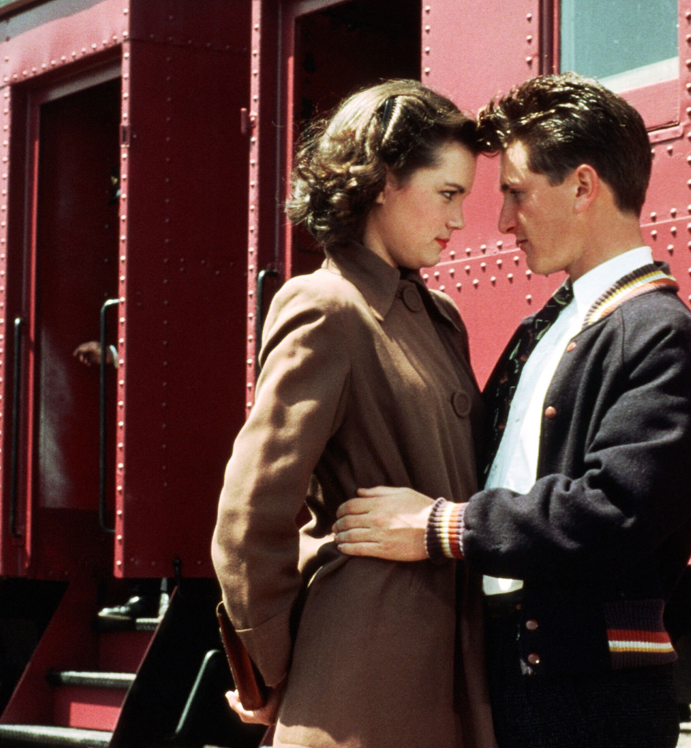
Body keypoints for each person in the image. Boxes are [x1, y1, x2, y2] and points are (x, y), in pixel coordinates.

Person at [332, 73, 691, 748]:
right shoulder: (544, 329)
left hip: (593, 704)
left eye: (515, 192)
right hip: (515, 681)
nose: (502, 221)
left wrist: (441, 526)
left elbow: (615, 512)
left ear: (582, 186)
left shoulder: (662, 335)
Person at [210, 79, 496, 748]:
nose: (458, 220)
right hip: (360, 680)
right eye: (447, 194)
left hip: (453, 666)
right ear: (385, 181)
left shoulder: (440, 318)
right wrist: (274, 673)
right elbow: (251, 515)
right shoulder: (325, 305)